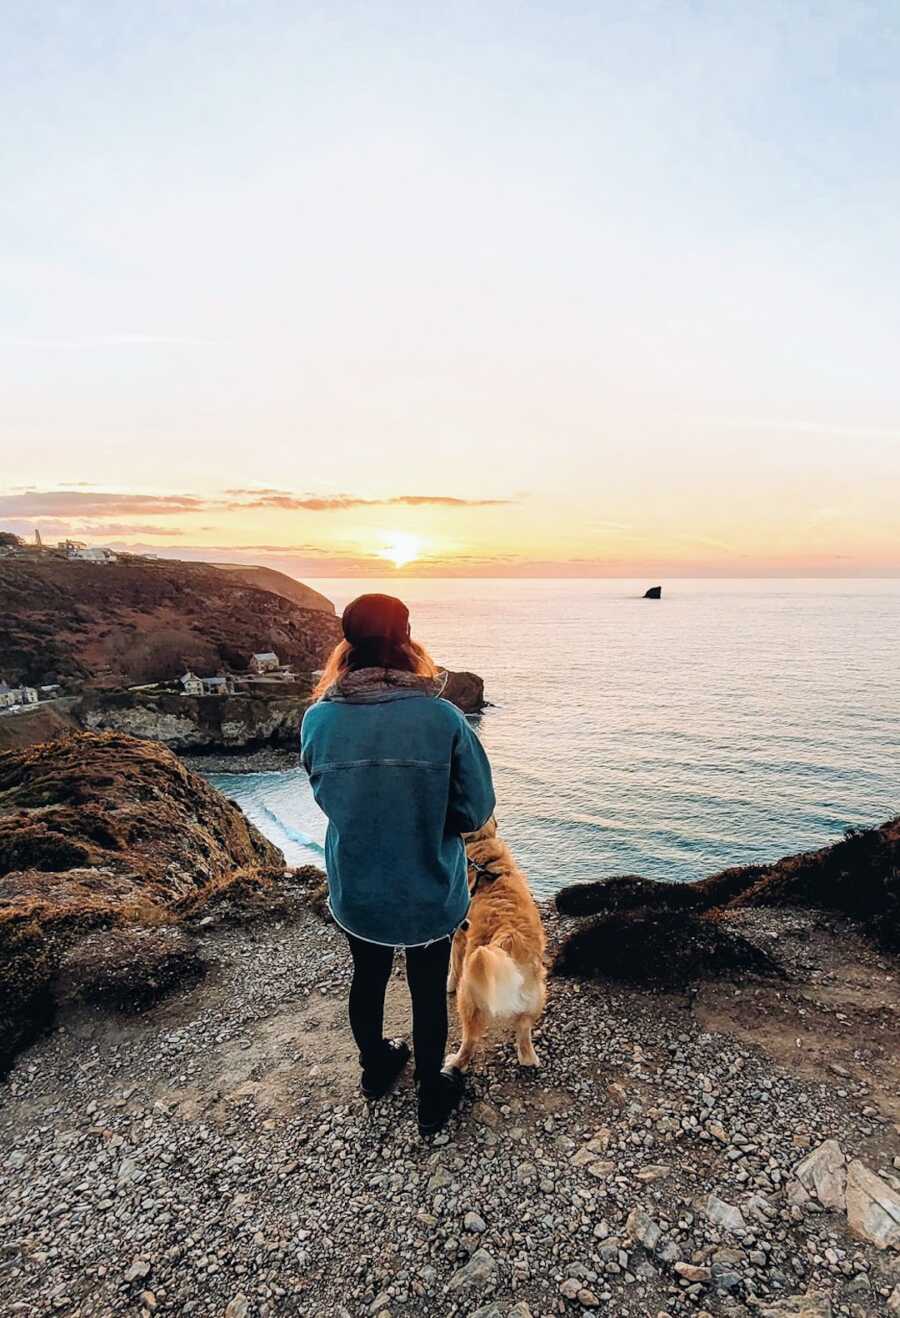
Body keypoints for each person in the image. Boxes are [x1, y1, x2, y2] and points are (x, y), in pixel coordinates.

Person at [300, 592, 495, 1135]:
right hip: (430, 885)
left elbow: (324, 793)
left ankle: (375, 1069)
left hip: (358, 884)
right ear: (408, 640)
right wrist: (428, 816)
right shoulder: (443, 717)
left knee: (368, 977)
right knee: (428, 990)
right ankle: (432, 1096)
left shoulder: (318, 719)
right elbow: (475, 810)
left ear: (347, 643)